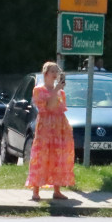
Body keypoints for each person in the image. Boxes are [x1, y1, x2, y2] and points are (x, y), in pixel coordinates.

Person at [26, 62, 75, 202]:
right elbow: (47, 106)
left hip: (59, 127)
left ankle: (57, 190)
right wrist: (56, 90)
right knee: (41, 156)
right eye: (52, 71)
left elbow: (60, 109)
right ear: (45, 73)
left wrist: (58, 90)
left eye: (56, 71)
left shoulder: (61, 92)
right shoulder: (38, 90)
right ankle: (36, 191)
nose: (55, 74)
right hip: (45, 127)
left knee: (58, 156)